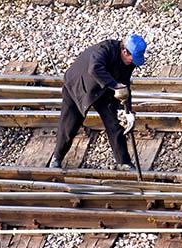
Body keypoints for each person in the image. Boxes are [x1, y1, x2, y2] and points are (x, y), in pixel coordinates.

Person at [49, 33, 147, 170]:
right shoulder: (104, 50)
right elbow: (94, 68)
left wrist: (127, 111)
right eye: (132, 58)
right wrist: (114, 85)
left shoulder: (129, 63)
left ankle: (123, 162)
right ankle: (56, 158)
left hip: (104, 89)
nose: (133, 62)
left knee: (115, 124)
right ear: (124, 51)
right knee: (69, 126)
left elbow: (124, 85)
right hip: (79, 87)